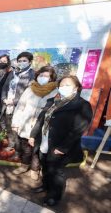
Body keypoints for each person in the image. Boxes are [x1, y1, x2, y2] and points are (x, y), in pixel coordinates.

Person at [29, 75, 92, 206]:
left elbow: (78, 130)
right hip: (44, 141)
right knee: (45, 166)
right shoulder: (52, 101)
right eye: (61, 85)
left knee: (57, 172)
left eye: (68, 85)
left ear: (76, 88)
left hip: (60, 145)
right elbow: (41, 119)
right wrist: (33, 135)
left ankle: (54, 196)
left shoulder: (82, 105)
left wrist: (63, 148)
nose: (64, 87)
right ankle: (46, 186)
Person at [11, 66, 59, 179]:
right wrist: (15, 122)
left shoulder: (55, 92)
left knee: (37, 150)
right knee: (26, 148)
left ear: (51, 78)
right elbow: (20, 107)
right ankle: (24, 165)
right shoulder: (30, 89)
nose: (43, 78)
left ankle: (35, 169)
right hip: (25, 124)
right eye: (41, 75)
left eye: (46, 76)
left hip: (42, 126)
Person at [1, 51, 35, 152]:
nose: (21, 62)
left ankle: (19, 149)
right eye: (19, 61)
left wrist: (14, 101)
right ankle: (11, 144)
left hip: (21, 107)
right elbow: (5, 87)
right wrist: (4, 99)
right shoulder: (13, 72)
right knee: (9, 125)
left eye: (24, 61)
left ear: (30, 62)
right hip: (7, 104)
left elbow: (29, 93)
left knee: (18, 127)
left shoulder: (32, 74)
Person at [0, 54, 12, 123]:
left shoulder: (9, 72)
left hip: (2, 96)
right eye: (0, 61)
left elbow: (5, 84)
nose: (2, 62)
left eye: (4, 61)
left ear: (8, 62)